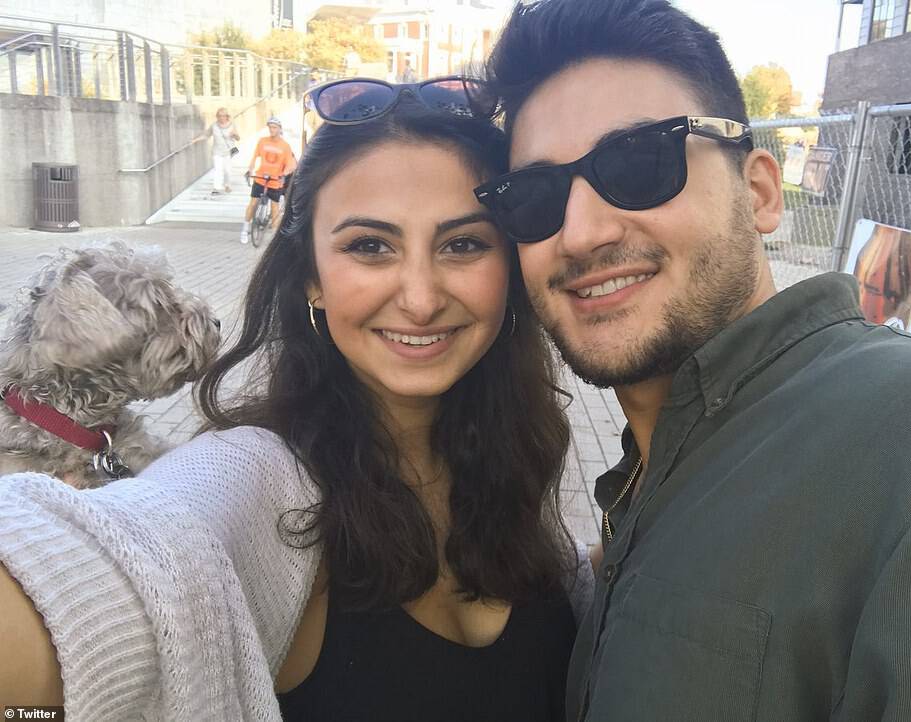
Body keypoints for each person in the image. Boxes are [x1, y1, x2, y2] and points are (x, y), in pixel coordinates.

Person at [0, 81, 593, 720]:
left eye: (463, 244)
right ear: (311, 276)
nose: (421, 299)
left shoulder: (513, 455)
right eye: (370, 246)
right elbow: (111, 565)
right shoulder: (253, 481)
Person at [475, 1, 911, 720]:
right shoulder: (645, 475)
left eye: (638, 163)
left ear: (759, 192)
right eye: (535, 198)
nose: (578, 233)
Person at [241, 117, 297, 244]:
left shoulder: (285, 146)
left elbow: (290, 164)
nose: (272, 130)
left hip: (275, 180)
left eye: (274, 127)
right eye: (270, 127)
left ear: (280, 129)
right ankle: (245, 229)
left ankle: (273, 237)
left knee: (274, 206)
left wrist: (284, 174)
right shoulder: (262, 141)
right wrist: (250, 169)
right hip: (261, 177)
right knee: (253, 203)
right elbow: (254, 156)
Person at [205, 107, 240, 194]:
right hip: (216, 151)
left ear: (227, 116)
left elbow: (238, 138)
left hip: (227, 151)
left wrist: (234, 135)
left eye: (223, 116)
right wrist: (195, 140)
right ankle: (217, 188)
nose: (221, 118)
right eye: (219, 116)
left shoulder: (232, 125)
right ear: (217, 116)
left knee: (227, 170)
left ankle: (227, 185)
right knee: (217, 169)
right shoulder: (214, 126)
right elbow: (207, 135)